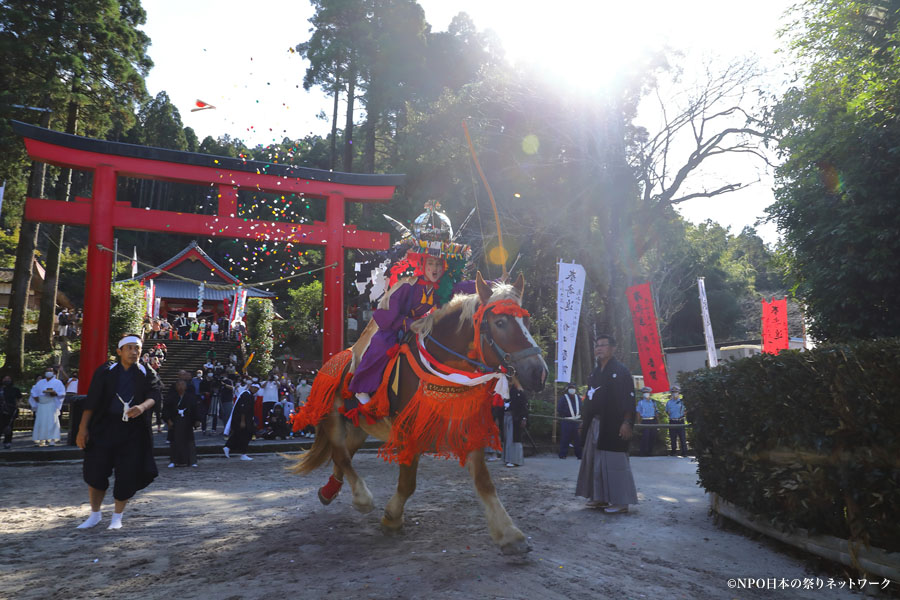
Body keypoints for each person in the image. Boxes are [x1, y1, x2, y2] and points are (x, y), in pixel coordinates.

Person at [75, 334, 160, 529]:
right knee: (96, 471)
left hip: (133, 431)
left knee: (127, 473)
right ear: (119, 351)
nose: (133, 352)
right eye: (129, 348)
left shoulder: (146, 372)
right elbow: (93, 401)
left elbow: (154, 394)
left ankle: (117, 517)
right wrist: (82, 428)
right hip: (104, 427)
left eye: (137, 348)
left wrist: (142, 407)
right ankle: (95, 514)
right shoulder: (106, 372)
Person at [576, 334, 638, 514]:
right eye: (597, 346)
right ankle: (599, 497)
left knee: (614, 462)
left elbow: (628, 399)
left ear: (613, 348)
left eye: (603, 345)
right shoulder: (594, 373)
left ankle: (621, 501)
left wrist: (627, 422)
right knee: (594, 461)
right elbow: (588, 400)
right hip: (594, 424)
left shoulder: (621, 371)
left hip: (614, 424)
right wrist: (583, 421)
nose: (599, 348)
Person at [164, 379, 199, 468]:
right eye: (179, 385)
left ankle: (192, 461)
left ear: (186, 386)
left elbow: (195, 409)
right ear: (176, 386)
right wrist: (168, 421)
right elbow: (166, 410)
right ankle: (173, 460)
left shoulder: (190, 397)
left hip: (187, 421)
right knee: (174, 442)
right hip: (175, 421)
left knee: (190, 442)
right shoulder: (171, 397)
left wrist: (197, 420)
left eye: (182, 385)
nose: (180, 387)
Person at [30, 369, 65, 446]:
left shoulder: (58, 382)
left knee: (52, 421)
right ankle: (41, 439)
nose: (48, 372)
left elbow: (62, 393)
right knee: (40, 421)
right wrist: (36, 398)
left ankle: (52, 439)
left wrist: (55, 393)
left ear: (54, 373)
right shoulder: (40, 382)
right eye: (47, 370)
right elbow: (34, 392)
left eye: (50, 370)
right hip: (41, 403)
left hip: (51, 403)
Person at [224, 380, 257, 460]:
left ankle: (228, 447)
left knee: (238, 434)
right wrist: (243, 421)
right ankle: (243, 453)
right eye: (255, 388)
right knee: (245, 436)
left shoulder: (249, 395)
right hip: (242, 419)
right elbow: (243, 409)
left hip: (246, 419)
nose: (256, 390)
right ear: (251, 387)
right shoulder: (246, 395)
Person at [502, 384, 529, 467]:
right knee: (507, 439)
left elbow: (524, 406)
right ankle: (507, 458)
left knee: (513, 439)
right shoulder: (505, 391)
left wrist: (524, 418)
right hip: (506, 417)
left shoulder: (519, 392)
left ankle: (515, 460)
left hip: (515, 418)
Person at [557, 383, 582, 460]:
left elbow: (582, 407)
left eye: (573, 388)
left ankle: (579, 455)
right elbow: (559, 408)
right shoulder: (564, 398)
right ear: (568, 389)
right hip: (567, 420)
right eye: (571, 388)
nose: (572, 389)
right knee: (565, 438)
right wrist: (565, 414)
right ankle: (562, 455)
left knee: (578, 439)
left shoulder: (578, 397)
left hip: (577, 421)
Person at [665, 385, 688, 456]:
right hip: (672, 421)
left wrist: (683, 414)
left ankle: (684, 452)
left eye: (676, 392)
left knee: (682, 438)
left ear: (679, 393)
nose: (674, 393)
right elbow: (667, 411)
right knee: (673, 437)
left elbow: (686, 410)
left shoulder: (682, 402)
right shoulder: (669, 402)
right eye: (673, 392)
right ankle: (673, 452)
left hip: (680, 421)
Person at [1, 376, 22, 449]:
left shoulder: (15, 389)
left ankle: (7, 442)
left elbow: (19, 399)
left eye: (8, 379)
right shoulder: (1, 389)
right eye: (5, 379)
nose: (7, 380)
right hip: (1, 409)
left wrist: (16, 407)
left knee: (9, 426)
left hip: (10, 410)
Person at [636, 386, 659, 456]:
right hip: (645, 421)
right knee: (645, 437)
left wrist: (658, 421)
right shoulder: (641, 402)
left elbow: (656, 412)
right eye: (644, 392)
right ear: (643, 394)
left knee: (653, 436)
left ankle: (650, 452)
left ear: (650, 393)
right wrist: (639, 422)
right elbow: (638, 413)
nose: (646, 394)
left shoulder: (653, 402)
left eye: (647, 392)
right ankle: (643, 452)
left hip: (653, 421)